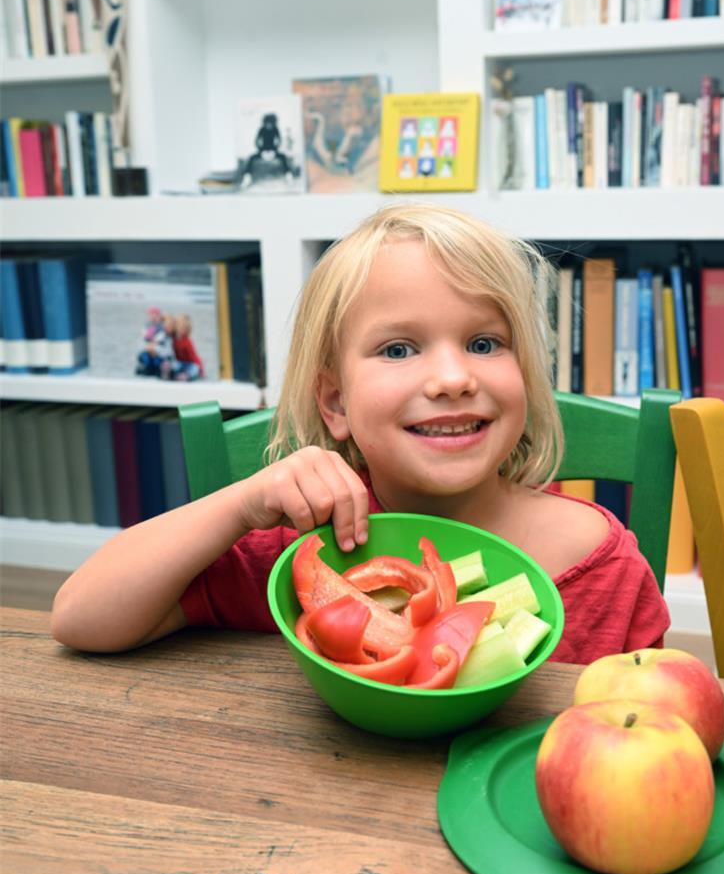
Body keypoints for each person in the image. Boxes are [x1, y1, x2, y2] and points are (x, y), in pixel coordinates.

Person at [51, 204, 670, 658]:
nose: (452, 377)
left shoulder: (601, 566)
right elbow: (80, 617)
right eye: (399, 349)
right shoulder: (301, 550)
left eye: (484, 343)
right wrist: (242, 503)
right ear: (335, 403)